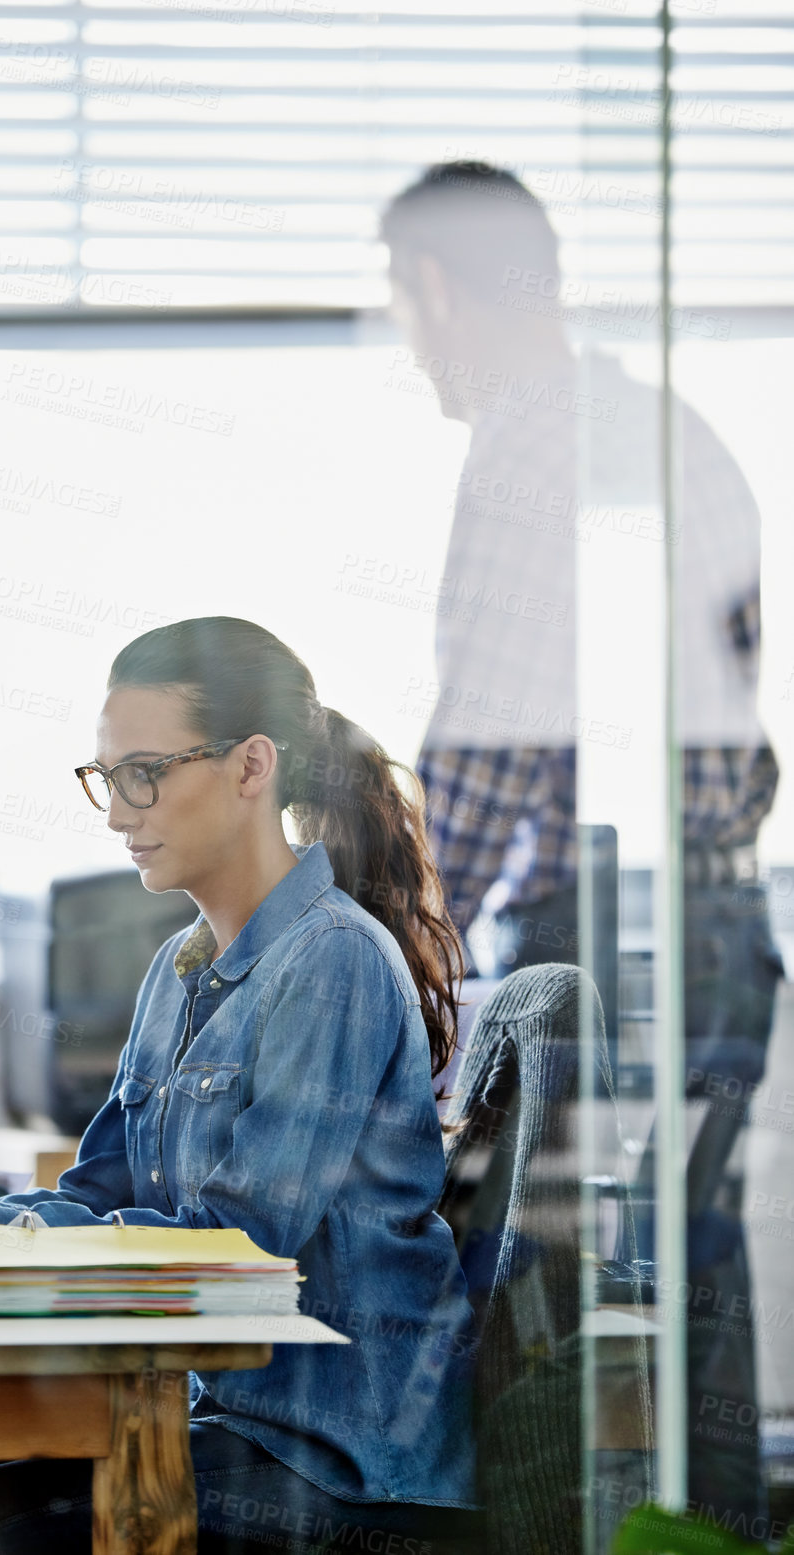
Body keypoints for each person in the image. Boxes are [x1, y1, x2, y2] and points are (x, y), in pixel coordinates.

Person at [0, 616, 480, 1555]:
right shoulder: (179, 968)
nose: (119, 811)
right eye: (106, 779)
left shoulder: (331, 962)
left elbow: (238, 1252)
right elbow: (97, 1195)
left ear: (252, 766)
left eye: (144, 774)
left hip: (342, 1465)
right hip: (233, 1427)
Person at [381, 162, 784, 1529]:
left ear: (435, 287)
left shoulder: (530, 439)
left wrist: (401, 938)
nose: (407, 341)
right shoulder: (660, 424)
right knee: (691, 1294)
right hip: (717, 931)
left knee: (548, 1316)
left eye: (402, 303)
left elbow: (493, 744)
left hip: (599, 935)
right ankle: (714, 1536)